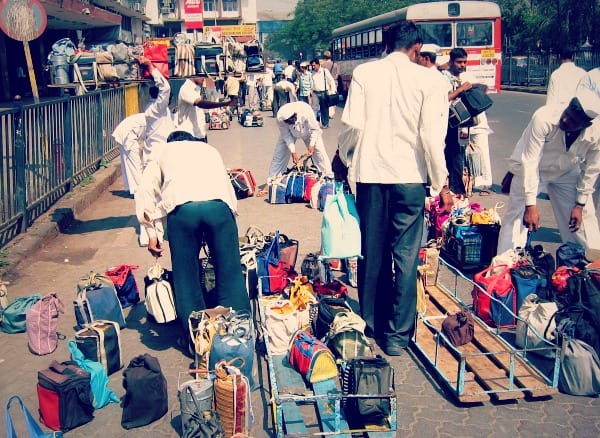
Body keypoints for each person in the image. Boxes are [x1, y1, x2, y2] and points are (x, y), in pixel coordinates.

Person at [338, 22, 448, 356]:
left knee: (373, 252)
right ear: (416, 49)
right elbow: (431, 138)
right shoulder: (431, 79)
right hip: (409, 179)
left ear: (387, 45)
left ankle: (371, 322)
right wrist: (440, 181)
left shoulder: (364, 74)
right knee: (405, 255)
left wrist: (345, 159)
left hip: (371, 176)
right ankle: (397, 336)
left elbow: (351, 128)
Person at [135, 130, 251, 348]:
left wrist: (152, 233)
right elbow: (227, 187)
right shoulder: (209, 149)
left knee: (185, 276)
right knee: (230, 272)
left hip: (183, 211)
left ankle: (196, 337)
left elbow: (145, 192)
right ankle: (239, 332)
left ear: (171, 141)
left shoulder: (162, 151)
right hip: (219, 207)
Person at [497, 90, 600, 254]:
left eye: (573, 121)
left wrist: (579, 204)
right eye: (567, 113)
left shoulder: (596, 133)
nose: (565, 119)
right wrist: (530, 205)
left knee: (583, 218)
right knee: (517, 216)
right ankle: (504, 265)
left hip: (566, 171)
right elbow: (531, 162)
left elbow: (591, 170)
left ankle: (590, 265)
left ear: (585, 125)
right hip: (531, 168)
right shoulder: (544, 117)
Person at [257, 101, 333, 196]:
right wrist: (293, 152)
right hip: (290, 133)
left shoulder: (305, 110)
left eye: (292, 119)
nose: (291, 122)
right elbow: (286, 135)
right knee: (279, 156)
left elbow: (315, 129)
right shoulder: (280, 119)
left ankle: (328, 179)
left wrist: (312, 144)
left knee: (320, 153)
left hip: (309, 131)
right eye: (288, 121)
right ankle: (272, 182)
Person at [441, 48, 473, 195]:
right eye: (459, 62)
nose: (462, 65)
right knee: (451, 156)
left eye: (464, 62)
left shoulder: (457, 77)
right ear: (451, 61)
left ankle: (457, 189)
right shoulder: (443, 78)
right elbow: (444, 98)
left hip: (456, 123)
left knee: (457, 154)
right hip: (444, 122)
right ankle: (452, 189)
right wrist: (460, 90)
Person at [139, 56, 175, 166]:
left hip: (153, 155)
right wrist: (150, 66)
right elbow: (165, 88)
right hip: (158, 156)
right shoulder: (157, 108)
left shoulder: (152, 107)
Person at [177, 77, 234, 143]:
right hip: (189, 136)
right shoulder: (186, 88)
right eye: (201, 75)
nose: (204, 78)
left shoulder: (196, 89)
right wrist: (224, 104)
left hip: (199, 134)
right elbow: (200, 103)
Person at [311, 58, 337, 129]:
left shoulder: (324, 71)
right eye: (312, 66)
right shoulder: (312, 73)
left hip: (324, 92)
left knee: (324, 109)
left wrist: (333, 91)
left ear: (318, 64)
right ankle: (315, 124)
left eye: (314, 65)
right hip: (315, 93)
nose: (313, 67)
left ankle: (325, 124)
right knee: (314, 109)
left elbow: (331, 80)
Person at [322, 50, 339, 120]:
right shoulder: (335, 64)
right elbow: (337, 74)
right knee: (333, 97)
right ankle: (332, 113)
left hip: (326, 83)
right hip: (334, 82)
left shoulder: (323, 65)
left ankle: (328, 112)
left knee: (327, 98)